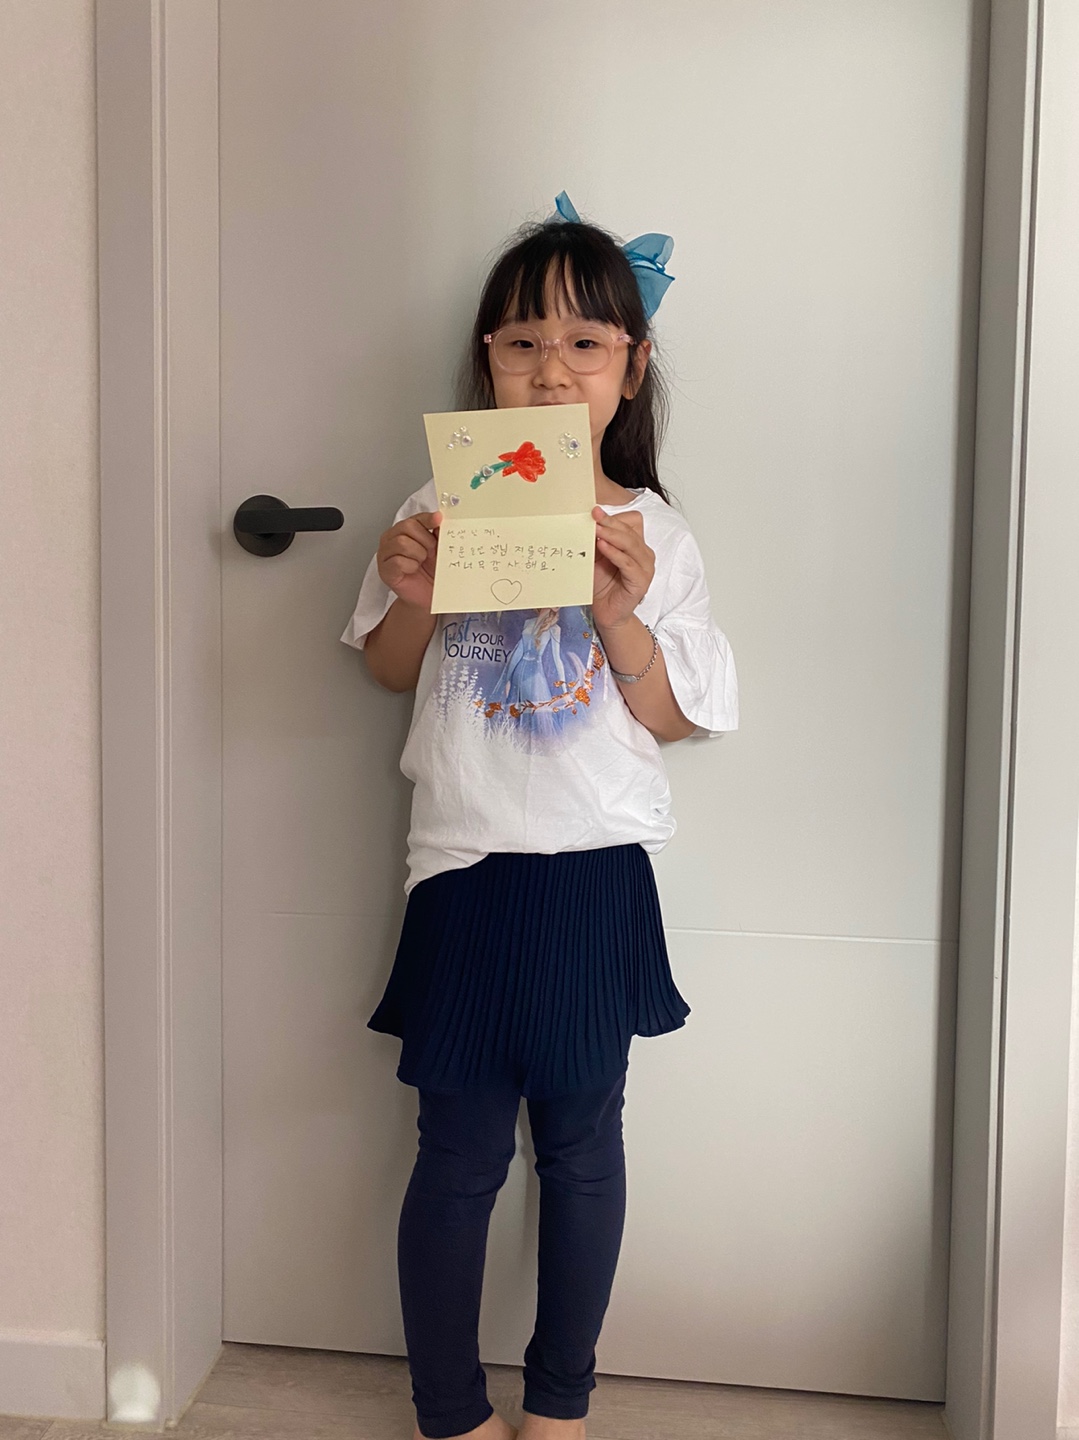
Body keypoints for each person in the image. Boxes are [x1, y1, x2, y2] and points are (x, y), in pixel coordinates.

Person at [340, 191, 739, 1440]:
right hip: (461, 864)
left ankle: (560, 1403)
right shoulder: (436, 497)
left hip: (593, 869)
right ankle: (449, 1412)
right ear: (486, 361)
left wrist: (619, 616)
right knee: (456, 1154)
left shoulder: (657, 534)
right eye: (520, 342)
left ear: (631, 366)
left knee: (581, 1147)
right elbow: (388, 669)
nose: (550, 369)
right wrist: (412, 589)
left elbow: (673, 717)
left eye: (582, 342)